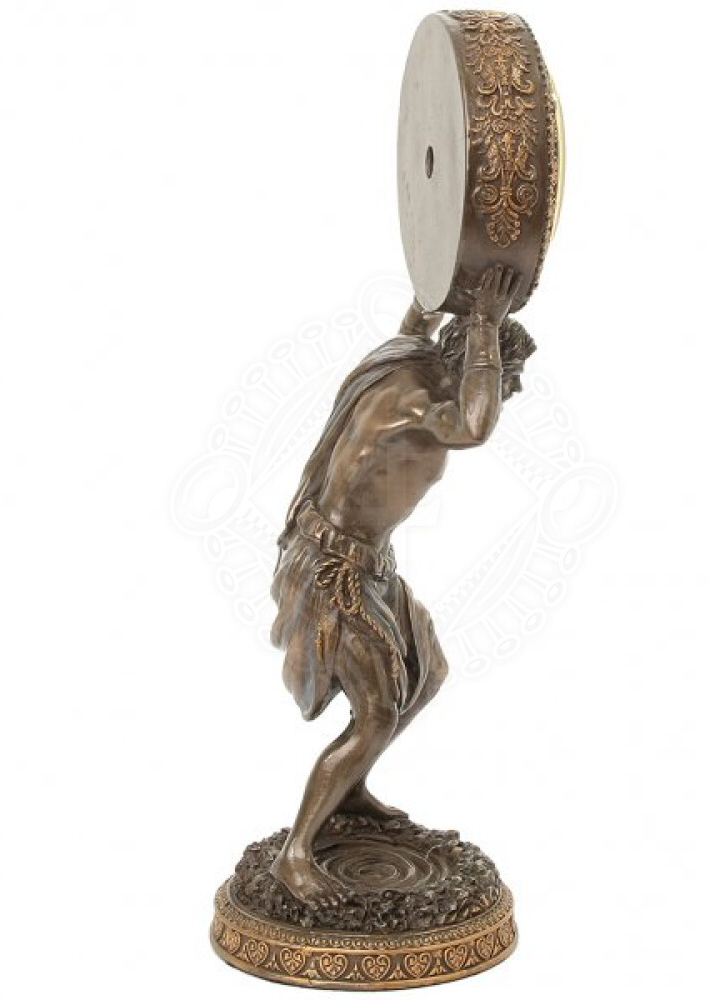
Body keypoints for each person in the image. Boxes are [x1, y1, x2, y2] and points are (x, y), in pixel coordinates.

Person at [269, 265, 536, 907]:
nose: (514, 389)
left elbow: (418, 318)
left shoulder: (411, 356)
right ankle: (295, 853)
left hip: (370, 562)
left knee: (429, 671)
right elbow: (474, 426)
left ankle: (349, 790)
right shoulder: (416, 402)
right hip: (332, 567)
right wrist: (484, 326)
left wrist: (446, 277)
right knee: (378, 712)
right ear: (473, 366)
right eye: (509, 376)